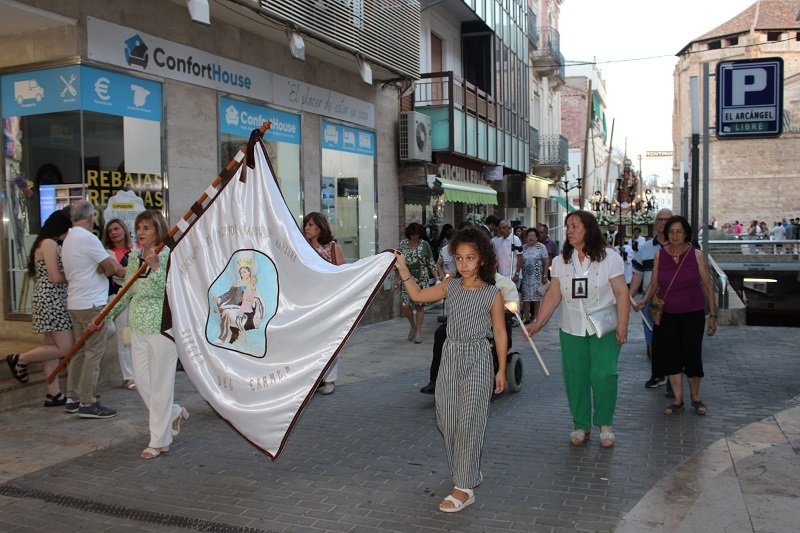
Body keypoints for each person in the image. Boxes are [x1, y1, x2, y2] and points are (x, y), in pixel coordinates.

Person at [394, 227, 507, 512]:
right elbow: (418, 295)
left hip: (479, 358)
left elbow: (501, 334)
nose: (464, 264)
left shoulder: (493, 293)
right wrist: (402, 267)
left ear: (481, 259)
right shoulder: (450, 286)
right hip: (451, 355)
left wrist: (501, 370)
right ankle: (469, 471)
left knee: (470, 421)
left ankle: (464, 487)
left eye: (470, 258)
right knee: (446, 419)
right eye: (458, 258)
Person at [526, 210, 629, 449]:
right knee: (576, 377)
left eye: (575, 226)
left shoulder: (609, 258)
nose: (570, 231)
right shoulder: (561, 261)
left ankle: (605, 424)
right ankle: (581, 424)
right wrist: (538, 322)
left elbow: (622, 293)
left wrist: (623, 325)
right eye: (567, 226)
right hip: (572, 328)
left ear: (588, 229)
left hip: (603, 328)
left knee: (605, 375)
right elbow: (554, 294)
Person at [101, 210, 188, 459]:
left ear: (158, 230)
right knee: (141, 381)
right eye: (139, 227)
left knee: (161, 385)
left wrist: (156, 266)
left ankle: (158, 441)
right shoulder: (135, 257)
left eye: (147, 228)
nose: (141, 232)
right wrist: (105, 315)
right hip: (137, 325)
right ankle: (171, 412)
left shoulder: (169, 255)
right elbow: (127, 292)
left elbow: (170, 289)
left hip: (162, 327)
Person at [635, 216, 717, 416]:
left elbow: (707, 286)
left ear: (686, 233)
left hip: (692, 314)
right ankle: (678, 399)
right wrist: (644, 301)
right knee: (671, 357)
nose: (675, 235)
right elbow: (654, 283)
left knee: (692, 356)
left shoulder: (696, 255)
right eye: (671, 232)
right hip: (667, 315)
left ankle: (695, 398)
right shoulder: (660, 255)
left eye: (679, 231)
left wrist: (713, 315)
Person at [61, 200, 126, 419]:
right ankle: (88, 402)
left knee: (80, 350)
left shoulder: (69, 238)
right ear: (90, 218)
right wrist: (106, 268)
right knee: (93, 353)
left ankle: (73, 397)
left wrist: (103, 266)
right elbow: (111, 267)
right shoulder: (87, 238)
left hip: (76, 302)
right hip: (92, 303)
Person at [5, 208, 73, 406]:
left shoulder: (44, 243)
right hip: (52, 299)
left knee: (51, 347)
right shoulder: (50, 244)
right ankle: (20, 358)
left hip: (48, 298)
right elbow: (55, 276)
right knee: (65, 347)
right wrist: (76, 278)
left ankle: (53, 393)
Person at [630, 208, 673, 391]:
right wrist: (629, 295)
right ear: (656, 223)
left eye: (666, 220)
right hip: (650, 302)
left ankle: (673, 379)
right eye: (660, 220)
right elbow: (638, 275)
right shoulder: (645, 249)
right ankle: (658, 374)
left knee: (672, 341)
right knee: (653, 341)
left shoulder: (682, 246)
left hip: (673, 302)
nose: (662, 223)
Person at [304, 212, 345, 395]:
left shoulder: (333, 248)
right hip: (308, 302)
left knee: (330, 341)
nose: (307, 228)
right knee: (311, 343)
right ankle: (316, 379)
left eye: (311, 225)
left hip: (329, 301)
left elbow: (343, 274)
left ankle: (329, 379)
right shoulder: (302, 248)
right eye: (305, 225)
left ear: (320, 227)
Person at [102, 218, 136, 391]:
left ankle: (133, 375)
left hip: (133, 299)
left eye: (116, 229)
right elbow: (116, 273)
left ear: (124, 229)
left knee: (131, 337)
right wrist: (130, 271)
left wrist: (126, 271)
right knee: (122, 337)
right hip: (116, 298)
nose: (114, 232)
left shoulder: (135, 250)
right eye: (110, 231)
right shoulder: (107, 253)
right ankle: (128, 377)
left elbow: (138, 272)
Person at [397, 222, 438, 344]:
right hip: (407, 277)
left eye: (417, 234)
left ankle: (418, 332)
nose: (415, 237)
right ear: (409, 234)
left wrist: (437, 278)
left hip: (422, 277)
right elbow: (398, 263)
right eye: (413, 234)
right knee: (405, 305)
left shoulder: (424, 244)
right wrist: (396, 280)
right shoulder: (402, 245)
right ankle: (413, 325)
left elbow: (431, 262)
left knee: (419, 305)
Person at [215, 264, 265, 344]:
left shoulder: (253, 284)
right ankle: (223, 337)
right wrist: (220, 298)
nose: (243, 274)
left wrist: (253, 300)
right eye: (241, 273)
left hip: (248, 310)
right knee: (225, 311)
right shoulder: (238, 283)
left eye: (245, 272)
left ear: (249, 273)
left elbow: (258, 299)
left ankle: (227, 336)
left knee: (229, 313)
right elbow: (229, 294)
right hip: (237, 306)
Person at [519, 227, 550, 323]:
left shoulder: (541, 247)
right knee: (525, 298)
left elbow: (546, 261)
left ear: (537, 237)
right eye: (528, 236)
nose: (530, 237)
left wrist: (545, 275)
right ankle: (526, 317)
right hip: (526, 277)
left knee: (537, 297)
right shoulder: (523, 247)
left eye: (532, 235)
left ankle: (536, 316)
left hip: (537, 276)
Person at [491, 220, 522, 284]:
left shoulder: (515, 239)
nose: (502, 230)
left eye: (504, 228)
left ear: (509, 228)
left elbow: (520, 257)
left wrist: (517, 273)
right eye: (500, 228)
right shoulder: (498, 241)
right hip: (501, 276)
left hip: (512, 274)